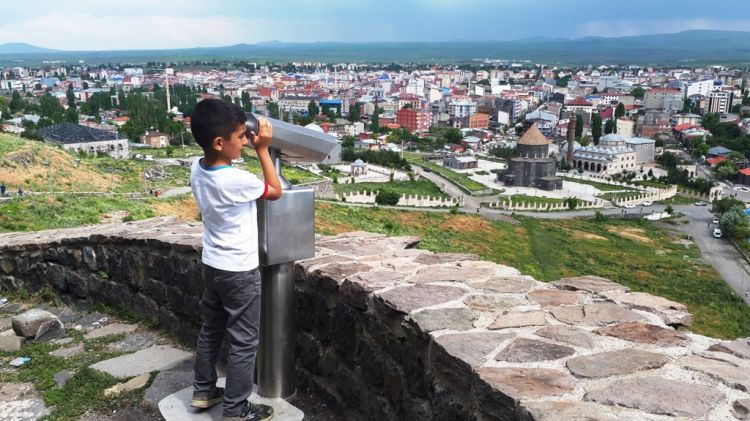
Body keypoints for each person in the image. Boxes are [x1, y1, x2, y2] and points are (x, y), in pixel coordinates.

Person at [189, 99, 282, 421]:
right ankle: (236, 409)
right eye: (241, 136)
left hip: (213, 263)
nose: (246, 141)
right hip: (239, 270)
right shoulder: (235, 180)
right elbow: (275, 190)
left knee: (211, 330)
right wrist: (263, 150)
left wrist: (248, 142)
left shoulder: (197, 167)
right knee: (244, 341)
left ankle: (203, 391)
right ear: (219, 142)